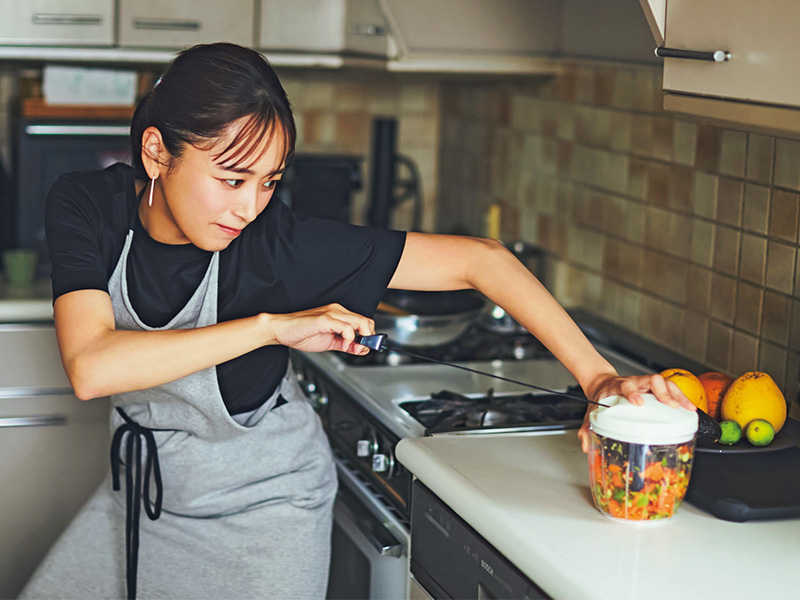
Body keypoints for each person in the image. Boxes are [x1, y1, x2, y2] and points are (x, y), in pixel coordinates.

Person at [21, 42, 694, 600]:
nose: (250, 206)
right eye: (232, 179)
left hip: (264, 518)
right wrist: (271, 326)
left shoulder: (273, 246)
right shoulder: (89, 207)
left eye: (269, 182)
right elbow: (92, 365)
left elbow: (482, 263)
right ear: (156, 154)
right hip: (145, 496)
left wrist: (599, 378)